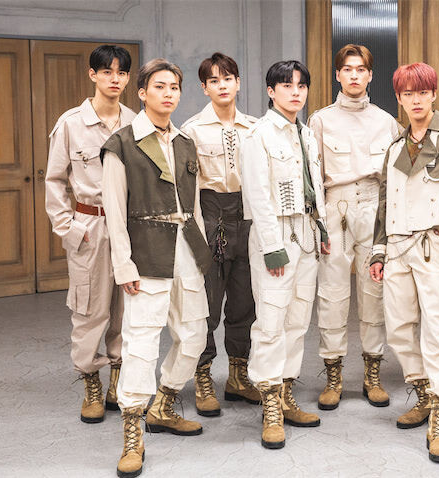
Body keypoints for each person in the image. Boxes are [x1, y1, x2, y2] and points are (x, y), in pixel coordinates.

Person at [102, 58, 213, 478]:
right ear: (142, 92)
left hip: (187, 249)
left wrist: (202, 255)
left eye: (174, 87)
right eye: (160, 86)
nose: (168, 94)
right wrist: (124, 264)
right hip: (145, 252)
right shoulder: (121, 144)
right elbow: (114, 211)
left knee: (194, 336)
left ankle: (163, 404)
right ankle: (133, 432)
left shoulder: (185, 143)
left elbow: (195, 206)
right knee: (141, 343)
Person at [368, 62, 439, 463]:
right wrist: (379, 249)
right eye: (408, 94)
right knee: (398, 328)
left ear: (434, 94)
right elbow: (385, 200)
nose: (416, 100)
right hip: (397, 247)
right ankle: (424, 390)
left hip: (437, 245)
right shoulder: (395, 145)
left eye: (423, 92)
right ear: (398, 98)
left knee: (438, 329)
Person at [240, 60, 330, 450]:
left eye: (301, 85)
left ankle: (286, 393)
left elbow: (315, 186)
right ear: (270, 91)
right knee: (271, 321)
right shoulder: (258, 135)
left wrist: (323, 228)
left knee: (297, 319)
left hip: (306, 234)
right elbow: (257, 196)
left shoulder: (305, 133)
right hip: (275, 235)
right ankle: (270, 405)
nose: (295, 92)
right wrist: (272, 246)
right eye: (286, 85)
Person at [308, 44, 402, 411]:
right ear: (337, 75)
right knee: (332, 294)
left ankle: (372, 374)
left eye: (360, 69)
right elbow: (312, 176)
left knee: (373, 292)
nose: (354, 75)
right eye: (347, 69)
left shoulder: (386, 121)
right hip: (335, 208)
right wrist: (318, 223)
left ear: (370, 75)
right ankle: (333, 375)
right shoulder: (320, 120)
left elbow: (397, 176)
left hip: (374, 209)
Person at [45, 44, 136, 424]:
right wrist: (68, 229)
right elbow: (54, 179)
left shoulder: (136, 122)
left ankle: (118, 377)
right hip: (90, 227)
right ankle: (90, 382)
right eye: (107, 71)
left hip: (128, 229)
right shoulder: (71, 123)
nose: (115, 79)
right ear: (92, 74)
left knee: (126, 309)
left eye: (121, 73)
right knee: (89, 310)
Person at [181, 52, 259, 417]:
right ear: (204, 88)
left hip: (247, 217)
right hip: (210, 216)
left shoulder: (255, 128)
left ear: (238, 83)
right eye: (214, 80)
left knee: (245, 302)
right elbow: (187, 189)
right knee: (207, 305)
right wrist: (197, 235)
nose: (222, 85)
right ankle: (203, 376)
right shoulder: (192, 130)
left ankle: (238, 377)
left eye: (228, 78)